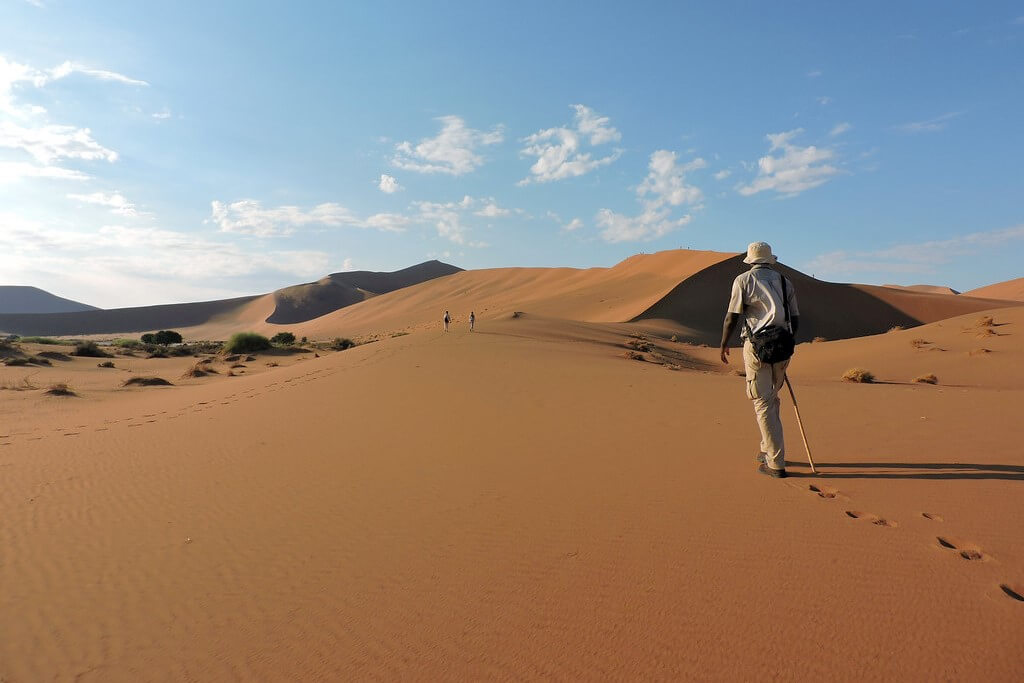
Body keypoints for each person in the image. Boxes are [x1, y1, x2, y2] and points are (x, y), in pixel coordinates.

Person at [719, 242, 800, 478]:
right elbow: (795, 318)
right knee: (771, 399)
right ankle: (767, 448)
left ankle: (776, 463)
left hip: (756, 347)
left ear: (751, 259)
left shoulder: (743, 280)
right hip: (783, 346)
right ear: (769, 259)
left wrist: (724, 344)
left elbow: (731, 317)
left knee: (762, 402)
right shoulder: (785, 282)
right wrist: (787, 346)